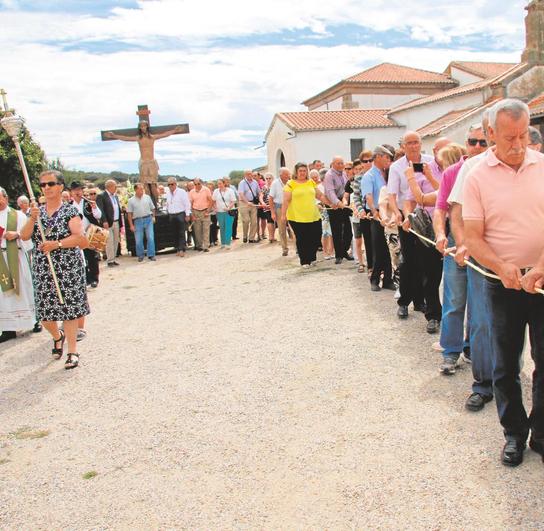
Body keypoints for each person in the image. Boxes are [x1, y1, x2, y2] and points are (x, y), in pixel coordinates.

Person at [463, 98, 544, 467]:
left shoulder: (543, 166)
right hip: (502, 282)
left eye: (523, 135)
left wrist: (541, 263)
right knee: (505, 365)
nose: (518, 144)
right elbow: (473, 236)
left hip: (542, 280)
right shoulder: (476, 175)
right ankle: (514, 434)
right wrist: (501, 266)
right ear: (490, 133)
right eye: (509, 137)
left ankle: (541, 433)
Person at [20, 170, 89, 370]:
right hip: (43, 268)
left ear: (60, 186)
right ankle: (57, 337)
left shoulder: (70, 211)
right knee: (46, 316)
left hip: (67, 267)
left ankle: (72, 351)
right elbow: (24, 236)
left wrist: (56, 244)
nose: (46, 188)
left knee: (69, 311)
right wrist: (32, 220)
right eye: (42, 185)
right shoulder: (36, 212)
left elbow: (81, 239)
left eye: (50, 184)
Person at [433, 129, 486, 379]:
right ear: (466, 145)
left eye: (482, 142)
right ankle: (450, 351)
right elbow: (441, 209)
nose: (477, 146)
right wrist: (441, 235)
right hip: (459, 242)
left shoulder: (492, 170)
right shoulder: (452, 173)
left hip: (486, 245)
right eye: (472, 141)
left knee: (479, 304)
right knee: (454, 300)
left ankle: (473, 349)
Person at [388, 131, 434, 320]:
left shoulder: (430, 161)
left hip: (427, 217)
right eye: (410, 143)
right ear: (403, 146)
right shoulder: (396, 167)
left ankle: (421, 300)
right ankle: (404, 302)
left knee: (425, 261)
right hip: (407, 217)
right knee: (409, 261)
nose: (414, 146)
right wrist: (397, 213)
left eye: (417, 142)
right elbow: (392, 193)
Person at [104, 121, 184, 202]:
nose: (143, 128)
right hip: (143, 162)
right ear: (139, 128)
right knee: (145, 186)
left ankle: (156, 203)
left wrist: (175, 130)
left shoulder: (152, 137)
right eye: (141, 126)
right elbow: (126, 138)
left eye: (144, 126)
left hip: (152, 162)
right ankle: (150, 204)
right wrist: (114, 135)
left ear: (147, 126)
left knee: (153, 185)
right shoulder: (138, 138)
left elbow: (164, 134)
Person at [0, 187, 36, 343]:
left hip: (17, 257)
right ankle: (9, 328)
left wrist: (17, 235)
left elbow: (27, 236)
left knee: (24, 288)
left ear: (6, 198)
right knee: (4, 295)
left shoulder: (18, 215)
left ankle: (35, 321)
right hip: (1, 258)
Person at [281, 162, 333, 268]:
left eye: (304, 171)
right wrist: (283, 215)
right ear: (296, 172)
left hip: (313, 215)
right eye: (300, 171)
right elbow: (286, 200)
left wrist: (331, 203)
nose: (302, 173)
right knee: (302, 239)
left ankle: (312, 257)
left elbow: (320, 196)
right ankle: (305, 261)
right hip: (297, 216)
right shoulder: (290, 183)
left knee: (315, 237)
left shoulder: (310, 182)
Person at [361, 146, 396, 291]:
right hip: (377, 216)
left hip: (390, 214)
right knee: (378, 248)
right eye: (386, 157)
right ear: (377, 157)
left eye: (389, 158)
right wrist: (375, 213)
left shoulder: (388, 174)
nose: (388, 160)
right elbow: (368, 196)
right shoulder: (369, 176)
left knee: (390, 249)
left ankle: (388, 279)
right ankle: (375, 279)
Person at [69, 181, 102, 289]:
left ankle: (94, 279)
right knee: (81, 257)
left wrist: (95, 207)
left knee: (92, 256)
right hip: (77, 235)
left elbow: (98, 215)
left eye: (79, 190)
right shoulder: (69, 206)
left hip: (89, 233)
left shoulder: (88, 203)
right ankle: (86, 279)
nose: (77, 192)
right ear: (71, 193)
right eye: (74, 190)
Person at [324, 156, 353, 264]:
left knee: (348, 231)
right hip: (333, 204)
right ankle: (339, 255)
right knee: (336, 231)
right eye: (338, 163)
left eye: (342, 163)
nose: (341, 165)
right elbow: (330, 192)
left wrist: (344, 202)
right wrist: (337, 203)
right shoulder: (329, 175)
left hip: (344, 202)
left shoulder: (344, 173)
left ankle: (344, 251)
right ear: (333, 164)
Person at [353, 150, 374, 273]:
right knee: (368, 241)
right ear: (361, 163)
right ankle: (370, 267)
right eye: (365, 161)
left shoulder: (378, 174)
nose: (368, 163)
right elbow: (356, 196)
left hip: (377, 210)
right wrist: (361, 210)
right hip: (365, 213)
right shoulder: (359, 177)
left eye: (370, 160)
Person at [127, 183, 156, 262]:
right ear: (135, 190)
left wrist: (153, 217)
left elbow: (153, 208)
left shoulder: (147, 197)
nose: (142, 190)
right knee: (138, 239)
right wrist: (131, 225)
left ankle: (151, 255)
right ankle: (140, 255)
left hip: (148, 219)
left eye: (142, 189)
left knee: (150, 237)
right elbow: (129, 213)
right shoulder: (131, 200)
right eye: (140, 189)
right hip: (137, 221)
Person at [96, 179, 122, 267]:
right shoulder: (101, 196)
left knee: (115, 241)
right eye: (115, 186)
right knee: (109, 242)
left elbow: (117, 208)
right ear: (110, 186)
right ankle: (110, 260)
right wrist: (104, 221)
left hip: (116, 221)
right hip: (108, 222)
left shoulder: (115, 196)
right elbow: (101, 209)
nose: (116, 188)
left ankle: (113, 258)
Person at [165, 177, 191, 257]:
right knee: (174, 233)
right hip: (172, 215)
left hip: (180, 214)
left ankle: (182, 249)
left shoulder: (182, 192)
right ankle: (177, 248)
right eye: (168, 184)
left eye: (172, 184)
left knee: (181, 232)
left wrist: (187, 214)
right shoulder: (168, 193)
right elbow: (168, 204)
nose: (170, 186)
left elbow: (187, 203)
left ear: (176, 184)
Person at [269, 167, 291, 256]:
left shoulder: (290, 182)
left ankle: (298, 248)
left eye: (288, 174)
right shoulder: (275, 183)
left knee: (293, 228)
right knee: (282, 230)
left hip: (290, 207)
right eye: (286, 174)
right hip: (279, 208)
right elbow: (270, 198)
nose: (288, 176)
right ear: (281, 175)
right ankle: (285, 249)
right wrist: (272, 212)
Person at [189, 178, 213, 252]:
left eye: (198, 184)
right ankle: (199, 245)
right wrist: (192, 214)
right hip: (196, 212)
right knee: (197, 230)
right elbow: (190, 204)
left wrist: (208, 211)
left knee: (206, 229)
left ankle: (206, 246)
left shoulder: (206, 190)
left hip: (205, 211)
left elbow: (211, 201)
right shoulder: (192, 192)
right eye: (195, 184)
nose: (197, 185)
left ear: (201, 183)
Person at [212, 178, 236, 249]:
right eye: (218, 184)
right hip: (219, 212)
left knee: (228, 227)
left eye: (220, 183)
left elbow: (233, 201)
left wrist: (228, 207)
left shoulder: (230, 191)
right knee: (222, 227)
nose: (219, 185)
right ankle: (223, 243)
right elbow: (213, 201)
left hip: (229, 212)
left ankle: (227, 243)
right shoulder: (216, 191)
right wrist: (215, 208)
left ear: (224, 183)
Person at [237, 170, 260, 243]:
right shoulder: (242, 183)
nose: (250, 175)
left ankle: (251, 238)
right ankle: (245, 236)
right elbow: (241, 194)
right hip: (244, 203)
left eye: (250, 174)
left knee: (254, 222)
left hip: (253, 203)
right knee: (246, 220)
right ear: (245, 175)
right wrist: (247, 202)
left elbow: (258, 192)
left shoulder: (255, 182)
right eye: (248, 174)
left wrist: (260, 200)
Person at [317, 168, 334, 260]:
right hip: (324, 211)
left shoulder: (330, 185)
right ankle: (325, 252)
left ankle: (331, 251)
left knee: (331, 232)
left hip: (332, 209)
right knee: (325, 233)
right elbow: (317, 200)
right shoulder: (319, 187)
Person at [260, 173, 275, 242]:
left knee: (275, 221)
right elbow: (261, 196)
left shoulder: (275, 186)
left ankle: (273, 236)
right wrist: (263, 203)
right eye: (267, 178)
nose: (268, 180)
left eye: (270, 178)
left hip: (275, 206)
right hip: (267, 207)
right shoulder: (264, 187)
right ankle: (271, 237)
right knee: (269, 221)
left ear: (272, 178)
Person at [207, 182, 219, 246]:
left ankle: (215, 239)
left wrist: (215, 208)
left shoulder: (215, 193)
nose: (209, 187)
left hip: (214, 212)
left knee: (215, 227)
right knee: (209, 227)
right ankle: (210, 241)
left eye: (211, 186)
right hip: (208, 213)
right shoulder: (205, 193)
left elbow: (216, 202)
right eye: (208, 186)